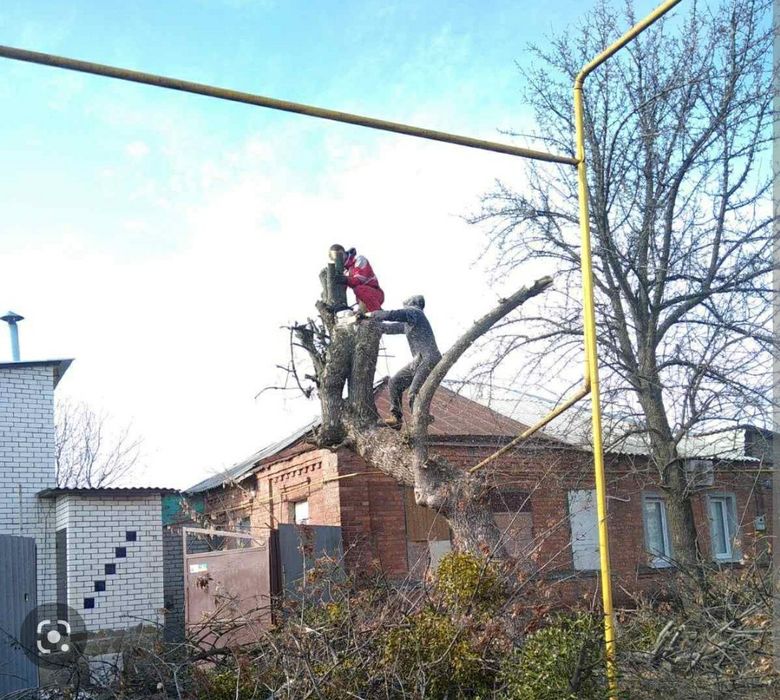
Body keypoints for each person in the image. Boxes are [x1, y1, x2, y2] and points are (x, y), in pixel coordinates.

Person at [368, 295, 441, 428]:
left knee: (414, 391)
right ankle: (396, 418)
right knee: (394, 382)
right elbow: (390, 328)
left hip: (429, 358)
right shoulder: (410, 323)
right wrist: (369, 323)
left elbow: (394, 314)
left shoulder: (416, 313)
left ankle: (420, 418)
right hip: (418, 360)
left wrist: (374, 314)